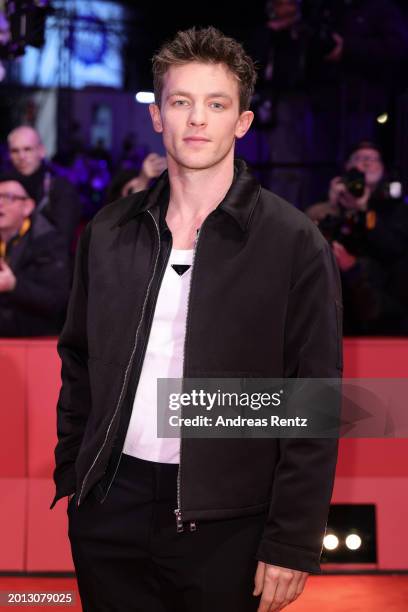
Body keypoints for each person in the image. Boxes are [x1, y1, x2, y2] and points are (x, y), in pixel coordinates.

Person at [52, 27, 342, 612]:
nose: (197, 120)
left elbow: (313, 400)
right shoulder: (109, 231)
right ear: (158, 116)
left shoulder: (294, 242)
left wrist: (292, 538)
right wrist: (75, 474)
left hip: (230, 523)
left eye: (217, 104)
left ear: (243, 122)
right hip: (111, 510)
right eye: (181, 102)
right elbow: (78, 359)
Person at [307, 141, 408, 334]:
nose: (366, 163)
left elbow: (394, 249)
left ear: (383, 169)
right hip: (335, 307)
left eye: (372, 159)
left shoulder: (395, 208)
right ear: (346, 168)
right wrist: (331, 205)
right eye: (359, 159)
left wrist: (363, 208)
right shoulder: (330, 204)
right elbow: (307, 245)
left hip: (382, 306)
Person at [0, 173, 70, 336]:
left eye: (8, 197)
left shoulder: (49, 242)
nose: (0, 203)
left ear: (28, 207)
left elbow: (56, 300)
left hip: (33, 340)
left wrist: (14, 286)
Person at [7, 126, 82, 251]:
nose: (21, 156)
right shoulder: (5, 185)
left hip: (47, 263)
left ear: (41, 151)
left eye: (28, 149)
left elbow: (64, 238)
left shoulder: (60, 187)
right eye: (15, 151)